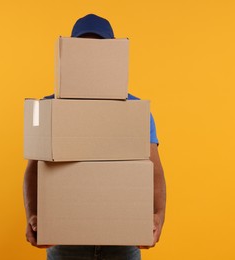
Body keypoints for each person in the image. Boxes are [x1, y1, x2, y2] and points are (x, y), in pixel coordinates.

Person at [23, 14, 166, 260]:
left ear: (112, 55)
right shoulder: (48, 109)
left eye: (97, 49)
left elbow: (154, 170)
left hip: (122, 240)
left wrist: (157, 217)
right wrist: (33, 215)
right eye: (82, 48)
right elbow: (34, 169)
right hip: (66, 240)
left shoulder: (135, 110)